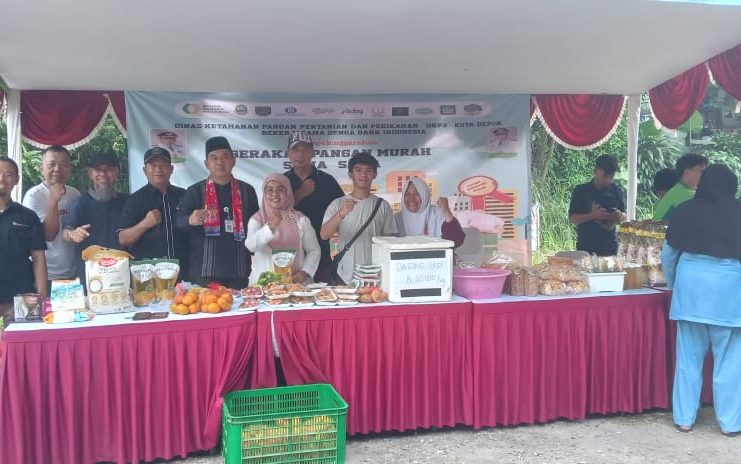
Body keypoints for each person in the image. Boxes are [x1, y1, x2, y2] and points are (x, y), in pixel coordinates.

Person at [661, 164, 741, 437]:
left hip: (691, 292)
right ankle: (730, 423)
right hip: (729, 294)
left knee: (688, 359)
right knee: (729, 361)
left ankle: (684, 419)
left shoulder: (685, 210)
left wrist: (675, 285)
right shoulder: (738, 211)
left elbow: (668, 256)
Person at [176, 136, 258, 288]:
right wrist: (190, 220)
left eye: (225, 157)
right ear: (206, 164)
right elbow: (178, 223)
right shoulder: (195, 191)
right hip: (205, 271)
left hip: (239, 270)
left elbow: (256, 226)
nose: (220, 162)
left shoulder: (247, 191)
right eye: (214, 158)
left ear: (233, 161)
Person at [321, 152, 397, 284]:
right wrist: (341, 213)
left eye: (368, 170)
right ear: (350, 174)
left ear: (375, 174)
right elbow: (324, 235)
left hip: (375, 276)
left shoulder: (382, 205)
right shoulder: (338, 204)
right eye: (358, 170)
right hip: (345, 275)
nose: (363, 175)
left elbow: (390, 242)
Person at [283, 131, 344, 282]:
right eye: (296, 150)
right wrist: (301, 193)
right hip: (288, 254)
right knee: (288, 294)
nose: (300, 154)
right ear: (288, 153)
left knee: (323, 294)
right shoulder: (281, 181)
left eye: (305, 149)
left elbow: (343, 212)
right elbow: (274, 215)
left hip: (321, 253)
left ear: (312, 152)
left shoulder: (327, 180)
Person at [63, 152, 128, 283]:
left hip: (120, 275)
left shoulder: (127, 202)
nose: (103, 174)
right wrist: (72, 234)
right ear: (90, 173)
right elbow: (65, 232)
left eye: (108, 169)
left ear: (116, 173)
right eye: (98, 169)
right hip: (90, 276)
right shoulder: (80, 204)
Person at [245, 174, 321, 285]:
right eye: (269, 190)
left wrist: (305, 272)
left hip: (296, 286)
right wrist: (270, 226)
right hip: (264, 286)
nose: (274, 194)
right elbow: (252, 247)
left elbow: (314, 250)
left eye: (280, 190)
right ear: (264, 193)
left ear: (288, 193)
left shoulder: (300, 220)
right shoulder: (257, 219)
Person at [118, 147, 187, 267]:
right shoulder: (135, 200)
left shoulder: (184, 195)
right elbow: (123, 239)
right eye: (153, 165)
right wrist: (145, 223)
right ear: (145, 170)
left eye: (163, 165)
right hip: (148, 271)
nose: (158, 169)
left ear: (171, 169)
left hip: (183, 268)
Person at [22, 146, 81, 283]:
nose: (57, 169)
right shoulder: (33, 196)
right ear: (41, 168)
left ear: (70, 169)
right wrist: (53, 201)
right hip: (45, 275)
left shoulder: (74, 194)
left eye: (63, 165)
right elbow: (48, 235)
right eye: (51, 164)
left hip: (73, 273)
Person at [0, 157, 47, 325]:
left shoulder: (27, 216)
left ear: (16, 180)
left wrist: (41, 298)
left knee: (20, 340)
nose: (2, 179)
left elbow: (39, 258)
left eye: (8, 174)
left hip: (20, 300)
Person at [568, 154, 626, 256]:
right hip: (585, 249)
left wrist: (620, 216)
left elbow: (624, 215)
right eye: (604, 176)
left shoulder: (617, 191)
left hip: (610, 248)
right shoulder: (581, 191)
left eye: (611, 177)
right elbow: (573, 218)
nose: (607, 180)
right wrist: (593, 215)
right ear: (596, 170)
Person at [395, 177, 465, 247]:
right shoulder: (397, 218)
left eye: (417, 193)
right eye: (407, 194)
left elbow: (457, 241)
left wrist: (446, 210)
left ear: (424, 195)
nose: (411, 198)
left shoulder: (437, 214)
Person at [653, 153, 708, 221]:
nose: (705, 175)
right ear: (687, 172)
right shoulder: (687, 194)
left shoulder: (678, 190)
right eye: (701, 171)